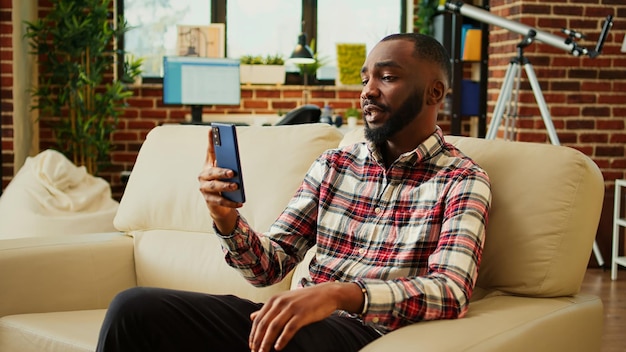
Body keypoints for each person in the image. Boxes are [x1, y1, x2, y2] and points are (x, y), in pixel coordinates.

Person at [96, 32, 491, 352]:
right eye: (365, 78)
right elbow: (269, 266)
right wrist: (226, 218)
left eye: (387, 77)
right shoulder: (335, 165)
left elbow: (450, 291)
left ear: (434, 93)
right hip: (291, 322)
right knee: (133, 308)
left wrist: (338, 295)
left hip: (366, 334)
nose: (368, 90)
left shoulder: (461, 180)